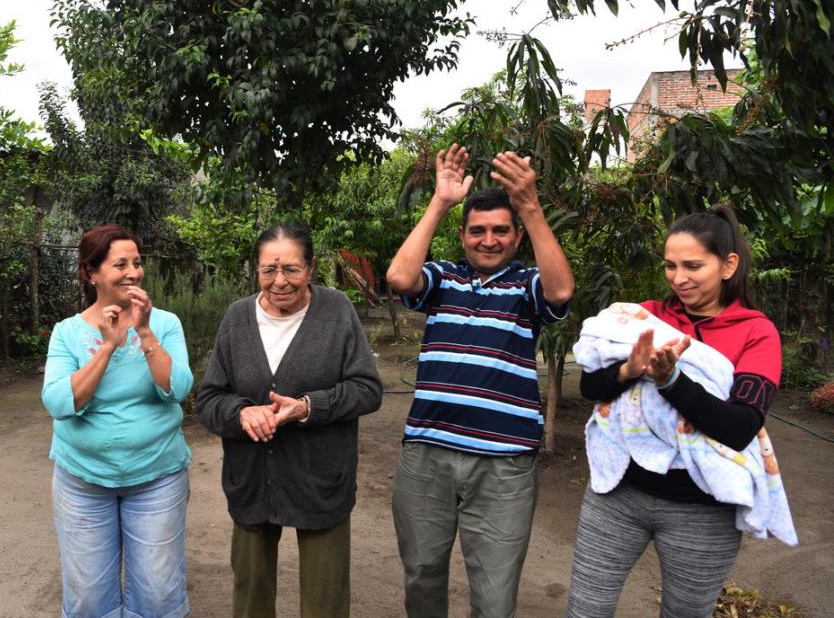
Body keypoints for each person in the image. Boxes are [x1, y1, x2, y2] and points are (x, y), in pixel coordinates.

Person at [564, 204, 783, 618]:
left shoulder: (756, 332)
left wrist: (670, 382)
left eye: (693, 266)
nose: (679, 278)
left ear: (728, 265)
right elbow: (591, 388)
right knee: (585, 609)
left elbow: (739, 427)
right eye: (670, 266)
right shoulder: (645, 316)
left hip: (703, 512)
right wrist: (628, 370)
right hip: (618, 494)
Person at [386, 144, 575, 618]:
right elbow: (400, 277)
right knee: (421, 574)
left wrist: (530, 205)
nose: (488, 240)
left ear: (516, 236)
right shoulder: (443, 278)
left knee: (494, 597)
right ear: (463, 235)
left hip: (504, 464)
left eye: (500, 230)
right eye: (477, 231)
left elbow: (561, 291)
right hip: (427, 453)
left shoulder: (527, 286)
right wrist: (440, 202)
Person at [195, 223, 382, 618]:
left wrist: (308, 407)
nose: (279, 281)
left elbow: (367, 389)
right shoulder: (237, 318)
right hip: (252, 481)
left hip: (321, 480)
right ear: (257, 270)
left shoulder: (337, 311)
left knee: (325, 602)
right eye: (269, 270)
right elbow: (209, 399)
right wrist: (241, 412)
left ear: (310, 268)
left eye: (292, 269)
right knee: (251, 597)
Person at [41, 224, 194, 618]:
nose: (133, 272)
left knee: (158, 593)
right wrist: (107, 347)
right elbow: (59, 402)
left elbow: (178, 388)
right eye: (120, 264)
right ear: (91, 272)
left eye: (137, 263)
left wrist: (143, 331)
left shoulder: (165, 324)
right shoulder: (67, 333)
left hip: (157, 477)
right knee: (90, 597)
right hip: (83, 482)